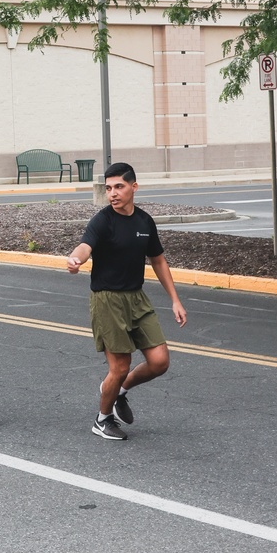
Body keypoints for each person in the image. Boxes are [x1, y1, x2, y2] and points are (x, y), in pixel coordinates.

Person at [67, 162, 187, 441]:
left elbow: (157, 259)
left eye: (118, 186)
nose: (112, 193)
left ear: (134, 187)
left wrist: (175, 300)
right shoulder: (102, 220)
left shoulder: (144, 221)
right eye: (108, 188)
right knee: (119, 367)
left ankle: (120, 390)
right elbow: (86, 246)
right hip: (107, 299)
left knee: (159, 362)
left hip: (137, 298)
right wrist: (76, 259)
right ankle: (102, 418)